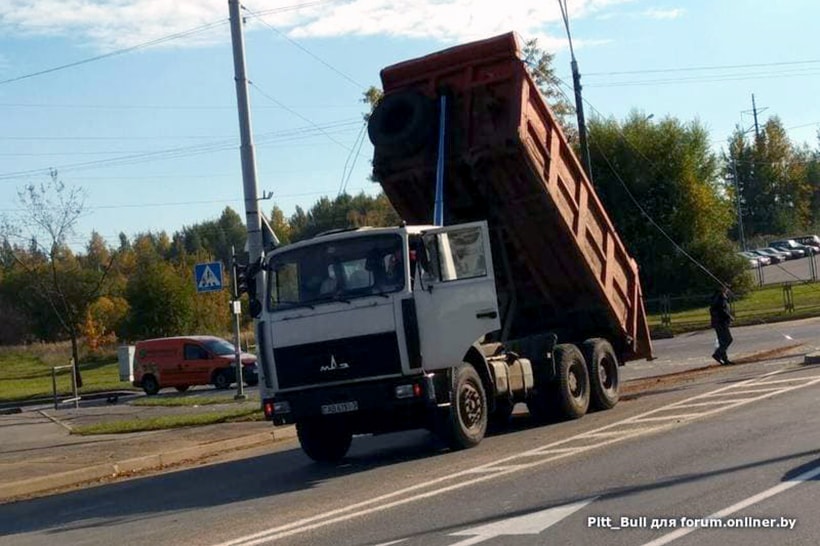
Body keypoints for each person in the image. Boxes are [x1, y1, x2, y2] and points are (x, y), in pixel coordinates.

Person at [710, 286, 734, 365]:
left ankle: (724, 358)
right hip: (721, 322)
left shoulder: (716, 297)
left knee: (722, 341)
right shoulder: (721, 297)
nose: (727, 290)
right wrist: (729, 316)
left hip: (717, 322)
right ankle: (718, 354)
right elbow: (722, 310)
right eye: (726, 288)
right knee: (728, 339)